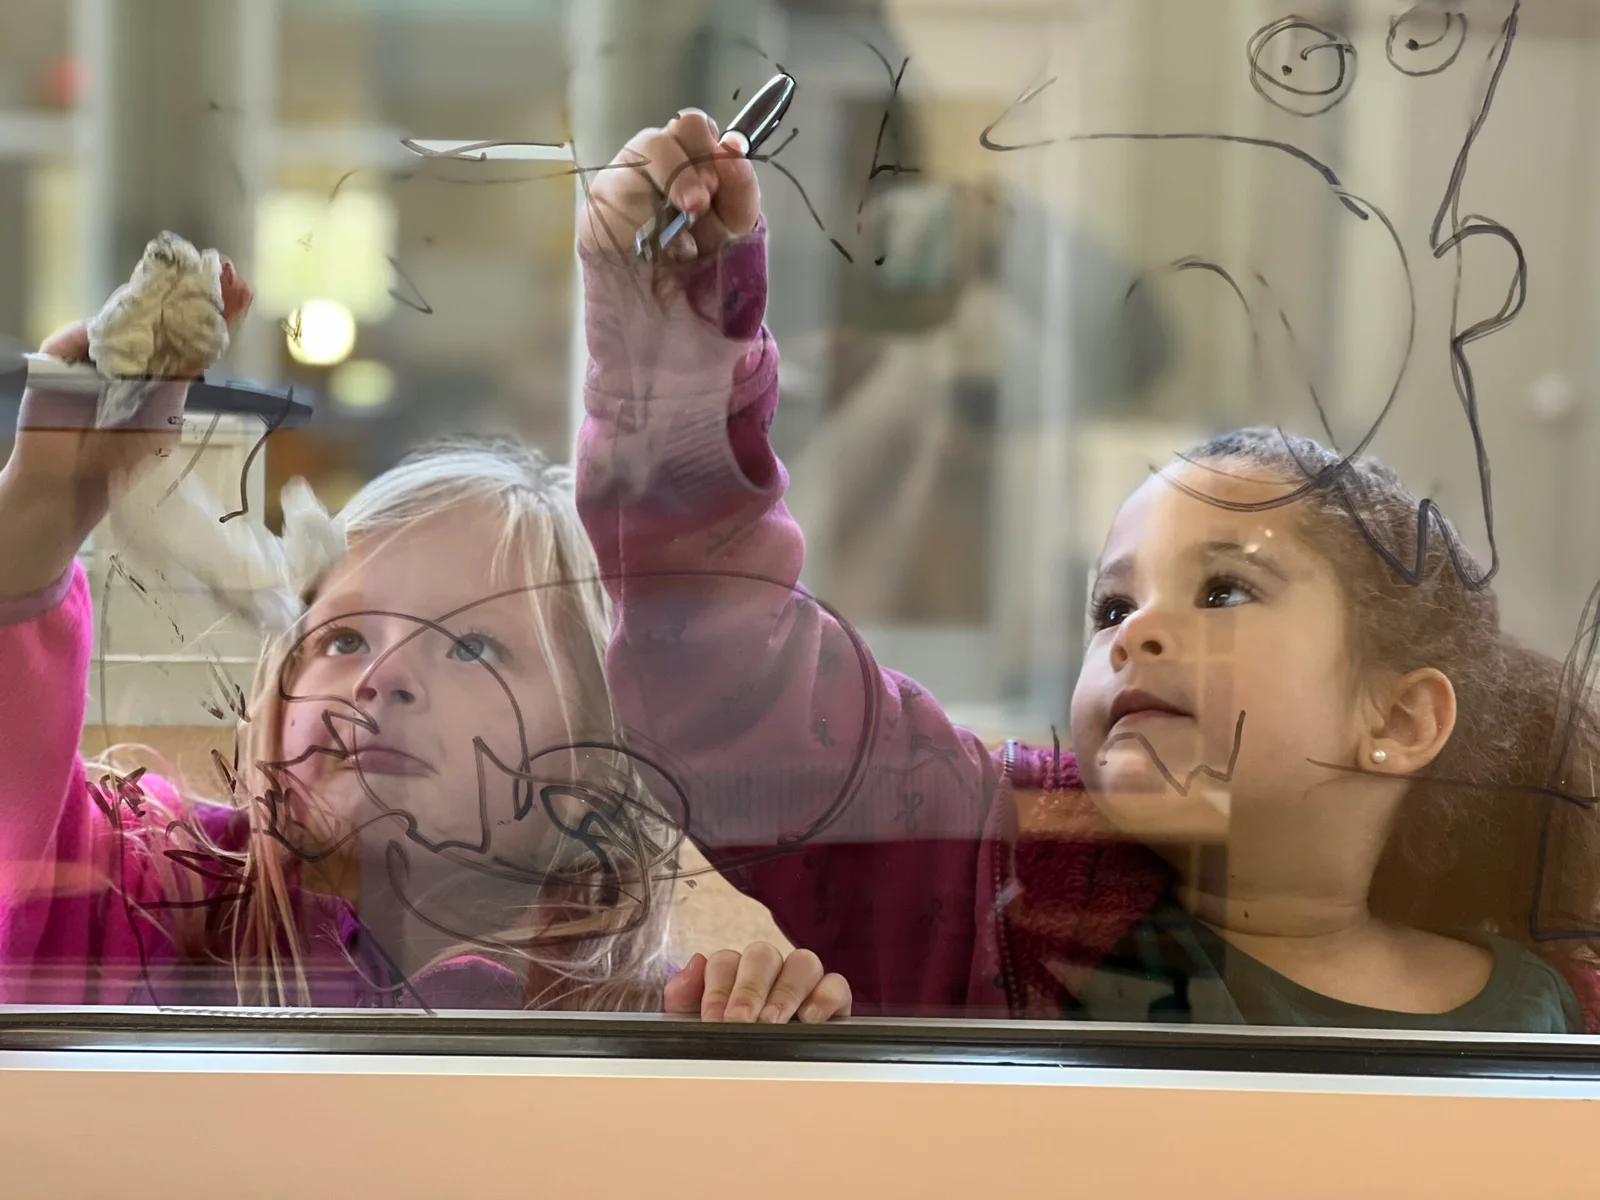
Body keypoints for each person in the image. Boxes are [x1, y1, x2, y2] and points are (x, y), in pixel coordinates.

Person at [573, 111, 1600, 1031]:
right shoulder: (1009, 896)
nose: (1133, 633)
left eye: (1224, 591)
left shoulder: (1554, 1019)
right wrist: (671, 340)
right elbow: (734, 664)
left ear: (1401, 721)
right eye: (1109, 604)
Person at [0, 254, 849, 1022]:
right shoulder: (149, 907)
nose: (385, 679)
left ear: (590, 761)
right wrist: (41, 509)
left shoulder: (639, 1026)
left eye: (472, 647)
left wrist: (759, 1027)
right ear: (274, 698)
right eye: (342, 641)